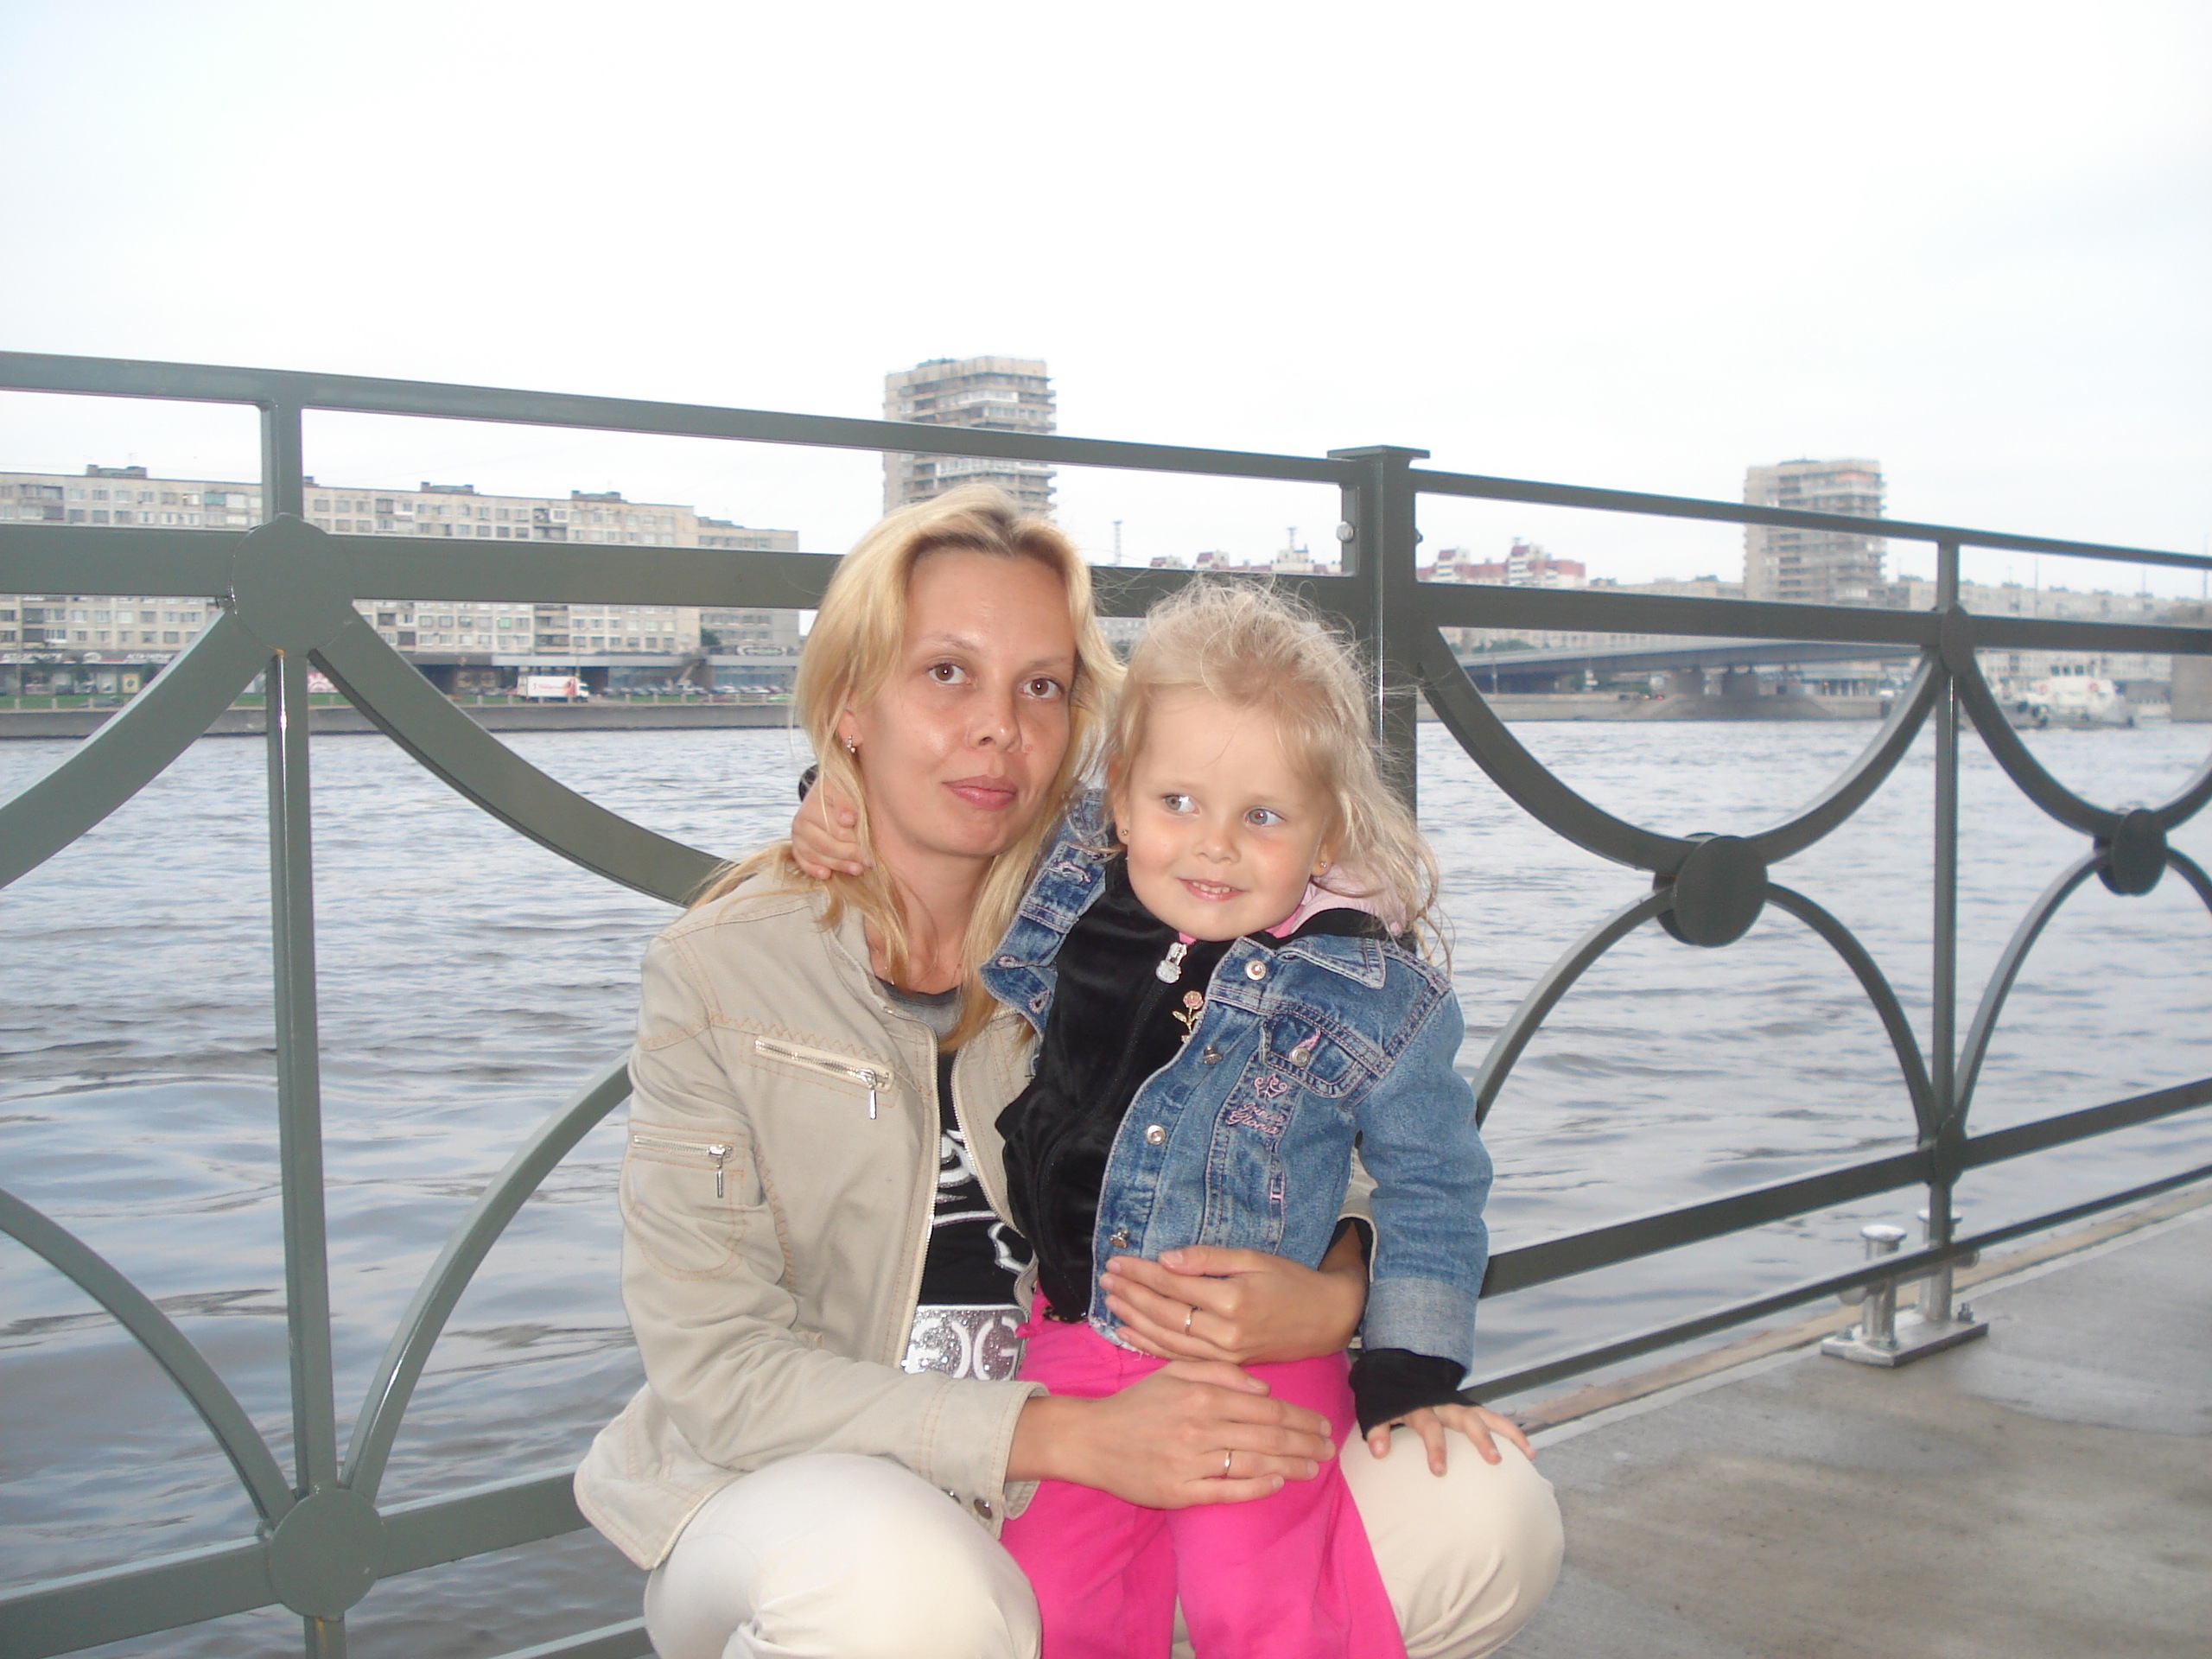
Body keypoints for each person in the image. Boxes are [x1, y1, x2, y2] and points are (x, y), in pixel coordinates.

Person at [575, 486, 1560, 1659]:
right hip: (805, 1482)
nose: (1000, 728)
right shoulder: (722, 971)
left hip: (1127, 1425)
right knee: (906, 1600)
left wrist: (1338, 1291)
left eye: (1040, 685)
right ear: (850, 702)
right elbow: (717, 1366)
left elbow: (1298, 1136)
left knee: (1481, 1514)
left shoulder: (1119, 926)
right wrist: (1063, 1437)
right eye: (946, 673)